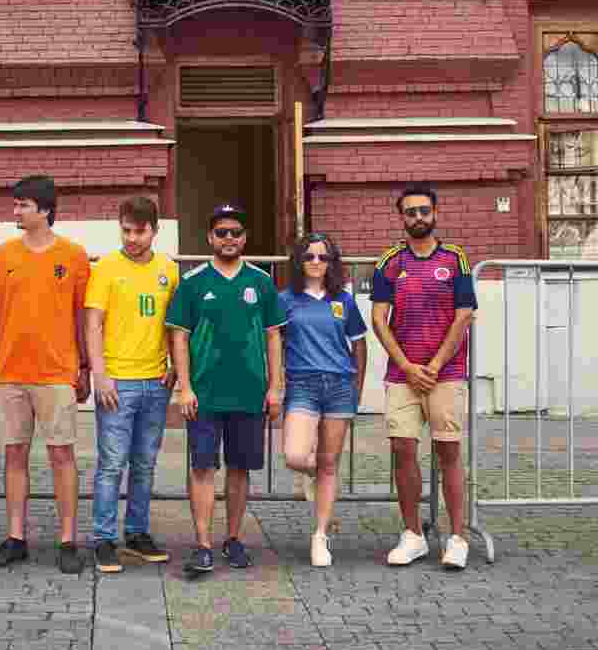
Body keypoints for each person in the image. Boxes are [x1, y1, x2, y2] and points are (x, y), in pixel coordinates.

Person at [0, 175, 92, 574]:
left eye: (23, 205)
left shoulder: (74, 256)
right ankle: (15, 538)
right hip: (11, 373)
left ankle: (67, 540)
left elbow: (83, 315)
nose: (15, 211)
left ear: (44, 210)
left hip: (57, 373)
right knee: (14, 454)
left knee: (62, 454)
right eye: (15, 204)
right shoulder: (3, 254)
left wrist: (85, 366)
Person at [166, 205, 285, 575]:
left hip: (249, 392)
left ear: (245, 237)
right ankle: (202, 544)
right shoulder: (193, 281)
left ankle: (233, 539)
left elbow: (273, 335)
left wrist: (276, 386)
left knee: (239, 469)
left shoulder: (262, 282)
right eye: (221, 232)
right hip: (204, 394)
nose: (229, 238)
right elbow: (179, 337)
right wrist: (184, 388)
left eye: (235, 232)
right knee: (202, 467)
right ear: (209, 238)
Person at [371, 185, 477, 569]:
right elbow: (379, 320)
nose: (418, 217)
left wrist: (432, 367)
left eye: (424, 210)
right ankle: (413, 534)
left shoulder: (456, 258)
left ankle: (457, 537)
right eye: (410, 212)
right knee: (402, 448)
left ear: (435, 213)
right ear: (401, 217)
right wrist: (409, 366)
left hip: (444, 373)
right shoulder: (390, 261)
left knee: (448, 450)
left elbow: (464, 315)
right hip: (403, 374)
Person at [86, 197, 179, 574]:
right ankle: (103, 539)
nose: (132, 238)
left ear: (155, 231)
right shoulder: (106, 268)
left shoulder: (169, 271)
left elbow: (177, 326)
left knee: (144, 463)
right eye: (126, 230)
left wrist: (175, 366)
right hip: (118, 383)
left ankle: (137, 533)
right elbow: (93, 324)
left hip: (156, 381)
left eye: (139, 231)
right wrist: (100, 373)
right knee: (111, 464)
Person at [279, 232, 368, 567]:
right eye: (309, 256)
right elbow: (274, 344)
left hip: (339, 386)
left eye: (323, 257)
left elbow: (359, 345)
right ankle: (321, 480)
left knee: (329, 462)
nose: (316, 262)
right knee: (295, 455)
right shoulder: (285, 299)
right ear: (299, 261)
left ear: (332, 263)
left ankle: (320, 535)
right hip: (302, 384)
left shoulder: (343, 300)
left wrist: (357, 390)